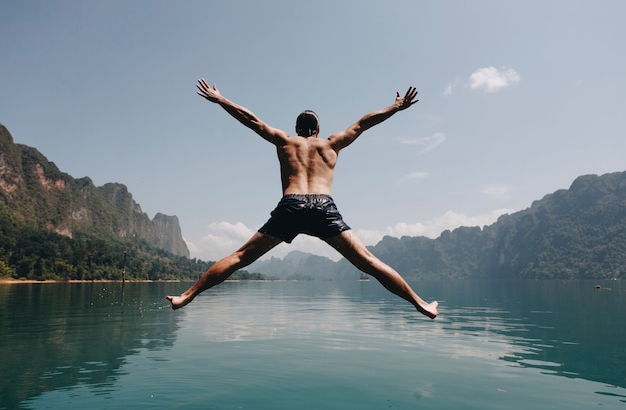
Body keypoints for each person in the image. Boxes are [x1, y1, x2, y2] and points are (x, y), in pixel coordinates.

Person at [166, 79, 438, 319]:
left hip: (291, 206)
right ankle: (421, 304)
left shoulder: (286, 142)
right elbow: (363, 124)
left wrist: (221, 99)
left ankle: (186, 296)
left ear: (297, 129)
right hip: (323, 207)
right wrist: (395, 107)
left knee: (239, 258)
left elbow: (252, 121)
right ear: (318, 129)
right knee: (369, 262)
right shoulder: (331, 143)